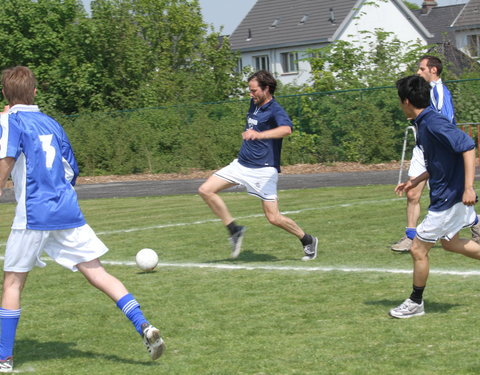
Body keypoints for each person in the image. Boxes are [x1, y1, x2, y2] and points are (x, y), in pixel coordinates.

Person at [0, 66, 165, 373]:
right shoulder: (52, 123)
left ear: (4, 95)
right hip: (66, 210)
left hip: (34, 214)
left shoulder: (9, 120)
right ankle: (144, 325)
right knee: (97, 273)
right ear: (35, 92)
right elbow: (71, 171)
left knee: (12, 283)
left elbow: (5, 163)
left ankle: (4, 359)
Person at [198, 70, 318, 261]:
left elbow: (287, 129)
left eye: (254, 91)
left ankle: (307, 240)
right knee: (205, 190)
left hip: (264, 170)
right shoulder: (254, 104)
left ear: (266, 89)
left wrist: (260, 135)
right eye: (250, 90)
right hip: (241, 164)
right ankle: (234, 229)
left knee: (273, 218)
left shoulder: (275, 109)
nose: (250, 94)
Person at [389, 75, 480, 318]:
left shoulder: (433, 124)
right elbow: (441, 161)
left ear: (406, 101)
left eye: (400, 101)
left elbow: (468, 145)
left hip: (449, 199)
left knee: (418, 250)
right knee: (450, 244)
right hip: (449, 196)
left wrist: (469, 187)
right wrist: (416, 180)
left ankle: (415, 301)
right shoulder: (424, 123)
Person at [391, 55, 480, 252]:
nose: (418, 72)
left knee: (448, 202)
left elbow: (449, 127)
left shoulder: (440, 92)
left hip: (437, 149)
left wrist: (468, 186)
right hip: (424, 147)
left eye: (422, 69)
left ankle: (474, 221)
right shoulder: (425, 93)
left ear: (433, 70)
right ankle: (411, 236)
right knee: (413, 192)